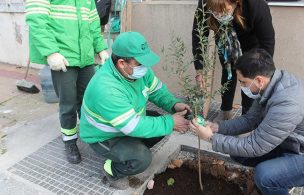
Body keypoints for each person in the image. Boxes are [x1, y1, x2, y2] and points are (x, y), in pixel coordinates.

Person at [190, 48, 304, 195]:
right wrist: (217, 128)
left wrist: (210, 138)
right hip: (294, 146)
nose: (242, 86)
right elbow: (250, 120)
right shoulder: (271, 85)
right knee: (236, 151)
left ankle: (278, 181)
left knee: (264, 175)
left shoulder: (288, 103)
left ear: (259, 80)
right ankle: (282, 177)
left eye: (243, 82)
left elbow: (256, 146)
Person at [79, 32, 191, 189]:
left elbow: (157, 91)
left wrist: (174, 105)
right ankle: (112, 169)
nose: (146, 67)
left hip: (125, 123)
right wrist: (170, 122)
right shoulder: (106, 88)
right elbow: (132, 126)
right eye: (140, 63)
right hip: (104, 136)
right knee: (142, 158)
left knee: (159, 125)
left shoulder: (138, 71)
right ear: (122, 63)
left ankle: (128, 151)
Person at [25, 0, 109, 164]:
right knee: (68, 104)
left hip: (85, 58)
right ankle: (70, 143)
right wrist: (50, 52)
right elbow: (37, 19)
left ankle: (92, 135)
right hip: (63, 58)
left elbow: (93, 24)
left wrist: (100, 48)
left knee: (88, 101)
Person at [192, 0, 275, 120]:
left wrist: (262, 71)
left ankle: (248, 117)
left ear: (236, 2)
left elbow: (267, 43)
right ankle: (225, 111)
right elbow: (198, 35)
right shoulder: (206, 2)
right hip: (226, 42)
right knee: (228, 74)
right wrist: (199, 69)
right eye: (214, 11)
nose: (218, 15)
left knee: (248, 80)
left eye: (223, 10)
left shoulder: (256, 5)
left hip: (251, 46)